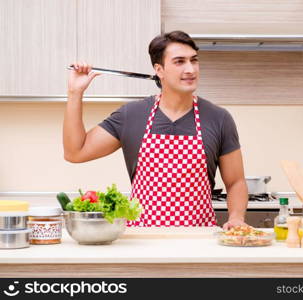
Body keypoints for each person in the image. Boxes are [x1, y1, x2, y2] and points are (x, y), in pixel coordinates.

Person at [63, 30, 248, 229]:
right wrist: (75, 92)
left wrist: (236, 218)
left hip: (197, 240)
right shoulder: (132, 115)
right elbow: (76, 152)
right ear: (159, 70)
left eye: (193, 60)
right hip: (141, 241)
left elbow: (236, 182)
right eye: (179, 62)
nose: (190, 69)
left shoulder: (219, 118)